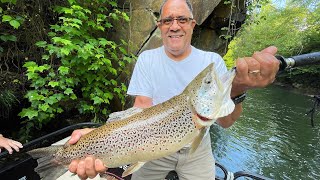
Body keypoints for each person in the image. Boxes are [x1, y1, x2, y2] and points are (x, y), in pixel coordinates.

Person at [67, 0, 280, 179]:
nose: (175, 26)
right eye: (167, 20)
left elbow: (226, 122)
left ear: (193, 24)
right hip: (151, 147)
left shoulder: (212, 62)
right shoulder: (147, 59)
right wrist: (98, 138)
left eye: (182, 19)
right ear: (160, 25)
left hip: (198, 149)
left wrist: (239, 88)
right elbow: (141, 109)